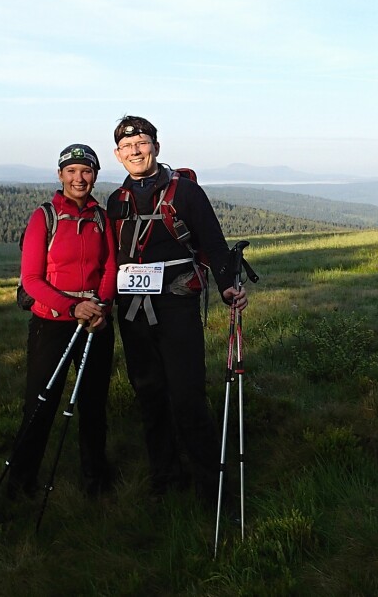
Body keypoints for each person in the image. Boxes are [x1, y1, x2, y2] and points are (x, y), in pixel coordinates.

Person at [106, 115, 248, 506]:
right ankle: (164, 478)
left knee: (187, 398)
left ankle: (210, 487)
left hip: (177, 308)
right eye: (127, 147)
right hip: (132, 312)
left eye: (142, 143)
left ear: (155, 145)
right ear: (118, 156)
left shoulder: (185, 193)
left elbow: (214, 245)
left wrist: (228, 286)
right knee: (148, 393)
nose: (135, 151)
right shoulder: (116, 200)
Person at [8, 144, 118, 500]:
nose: (79, 178)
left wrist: (98, 305)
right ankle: (21, 482)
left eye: (86, 171)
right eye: (71, 171)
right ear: (60, 175)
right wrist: (74, 309)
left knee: (93, 405)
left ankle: (95, 480)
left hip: (95, 324)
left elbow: (110, 267)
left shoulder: (101, 217)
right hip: (51, 324)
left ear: (95, 176)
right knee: (40, 404)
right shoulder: (45, 217)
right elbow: (32, 281)